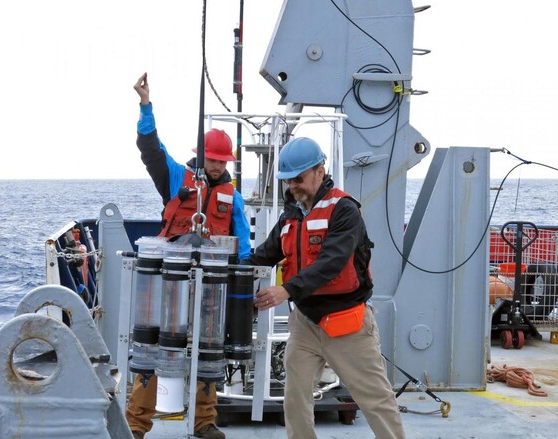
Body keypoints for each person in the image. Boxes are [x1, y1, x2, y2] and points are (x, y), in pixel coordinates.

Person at [242, 137, 406, 439]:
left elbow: (332, 262)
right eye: (289, 180)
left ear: (319, 171)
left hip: (348, 324)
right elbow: (263, 254)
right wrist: (225, 268)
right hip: (306, 324)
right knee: (295, 399)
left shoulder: (344, 210)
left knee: (375, 400)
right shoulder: (290, 217)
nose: (293, 186)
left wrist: (286, 290)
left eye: (299, 179)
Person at [126, 72, 251, 439]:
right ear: (201, 156)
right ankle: (136, 423)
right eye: (210, 159)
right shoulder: (176, 177)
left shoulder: (234, 199)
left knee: (209, 351)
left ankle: (204, 422)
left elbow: (241, 246)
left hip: (211, 289)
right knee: (152, 350)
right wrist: (146, 105)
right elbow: (150, 149)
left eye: (220, 160)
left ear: (227, 161)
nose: (215, 165)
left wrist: (243, 292)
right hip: (170, 285)